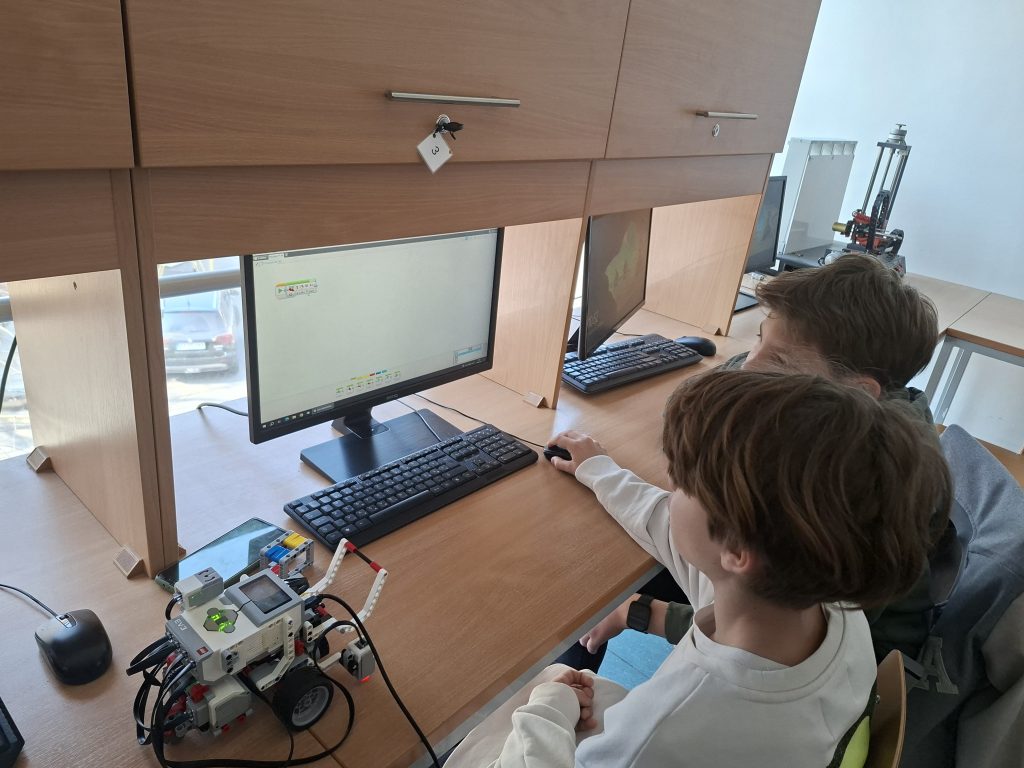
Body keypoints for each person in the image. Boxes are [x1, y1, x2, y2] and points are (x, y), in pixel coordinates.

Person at [444, 370, 952, 767]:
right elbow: (680, 536)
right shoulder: (832, 606)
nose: (670, 492)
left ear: (737, 550)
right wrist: (598, 471)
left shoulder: (661, 731)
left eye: (682, 485)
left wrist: (551, 704)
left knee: (527, 688)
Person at [558, 253, 944, 673]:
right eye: (759, 340)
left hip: (830, 665)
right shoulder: (840, 434)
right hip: (785, 621)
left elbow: (772, 637)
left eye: (779, 361)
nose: (749, 364)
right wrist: (601, 471)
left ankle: (568, 688)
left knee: (597, 576)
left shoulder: (848, 491)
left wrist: (643, 612)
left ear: (857, 392)